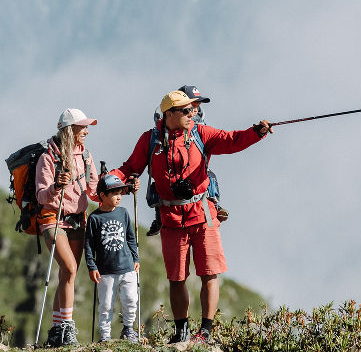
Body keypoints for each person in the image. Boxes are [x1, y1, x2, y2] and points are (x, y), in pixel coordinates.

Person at [109, 90, 272, 344]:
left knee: (210, 273)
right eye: (185, 110)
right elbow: (130, 168)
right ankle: (181, 329)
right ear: (169, 114)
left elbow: (232, 140)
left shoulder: (200, 133)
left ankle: (205, 330)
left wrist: (256, 133)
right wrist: (109, 181)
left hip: (203, 212)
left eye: (192, 109)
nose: (191, 113)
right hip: (171, 217)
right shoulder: (149, 140)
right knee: (176, 277)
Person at [35, 108, 100, 347]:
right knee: (71, 269)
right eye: (81, 127)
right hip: (53, 219)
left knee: (66, 275)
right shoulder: (48, 158)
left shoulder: (86, 157)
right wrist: (55, 187)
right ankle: (68, 328)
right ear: (68, 130)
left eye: (86, 127)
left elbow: (93, 192)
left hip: (77, 221)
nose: (86, 131)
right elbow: (41, 196)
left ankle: (55, 331)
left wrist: (116, 189)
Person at [146, 85, 228, 237]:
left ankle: (214, 205)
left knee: (208, 177)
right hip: (171, 168)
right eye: (193, 104)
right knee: (160, 184)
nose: (195, 109)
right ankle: (159, 217)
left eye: (197, 105)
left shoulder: (198, 120)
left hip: (194, 170)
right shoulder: (166, 117)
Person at [85, 174, 140, 343]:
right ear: (102, 196)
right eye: (114, 193)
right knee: (106, 305)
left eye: (121, 192)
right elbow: (88, 245)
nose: (119, 196)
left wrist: (135, 257)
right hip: (105, 271)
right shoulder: (94, 218)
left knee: (131, 299)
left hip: (128, 267)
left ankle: (129, 328)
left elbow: (130, 237)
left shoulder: (123, 213)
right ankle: (105, 336)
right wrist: (91, 266)